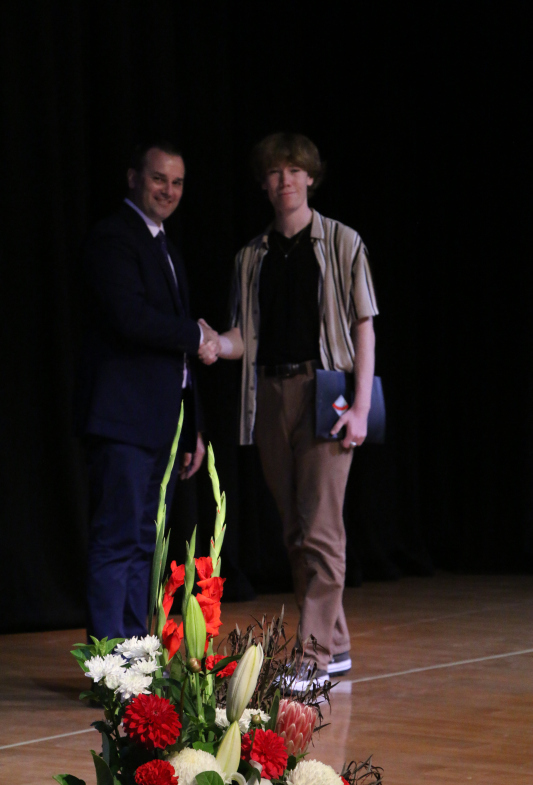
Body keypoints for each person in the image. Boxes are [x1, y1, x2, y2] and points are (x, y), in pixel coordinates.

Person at [199, 132, 378, 690]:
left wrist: (361, 408)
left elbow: (364, 326)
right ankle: (336, 644)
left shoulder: (343, 242)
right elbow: (244, 336)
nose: (286, 181)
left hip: (327, 390)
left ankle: (314, 657)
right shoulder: (250, 257)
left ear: (310, 178)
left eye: (295, 171)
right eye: (276, 172)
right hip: (270, 396)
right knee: (296, 531)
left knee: (322, 528)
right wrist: (215, 343)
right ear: (264, 183)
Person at [76, 140, 216, 641]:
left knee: (144, 543)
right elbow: (130, 318)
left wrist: (192, 426)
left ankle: (133, 661)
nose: (169, 191)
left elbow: (177, 357)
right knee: (117, 540)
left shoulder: (167, 248)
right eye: (159, 179)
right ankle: (106, 663)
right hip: (123, 420)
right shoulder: (113, 238)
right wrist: (198, 334)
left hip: (163, 425)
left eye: (177, 183)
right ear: (133, 178)